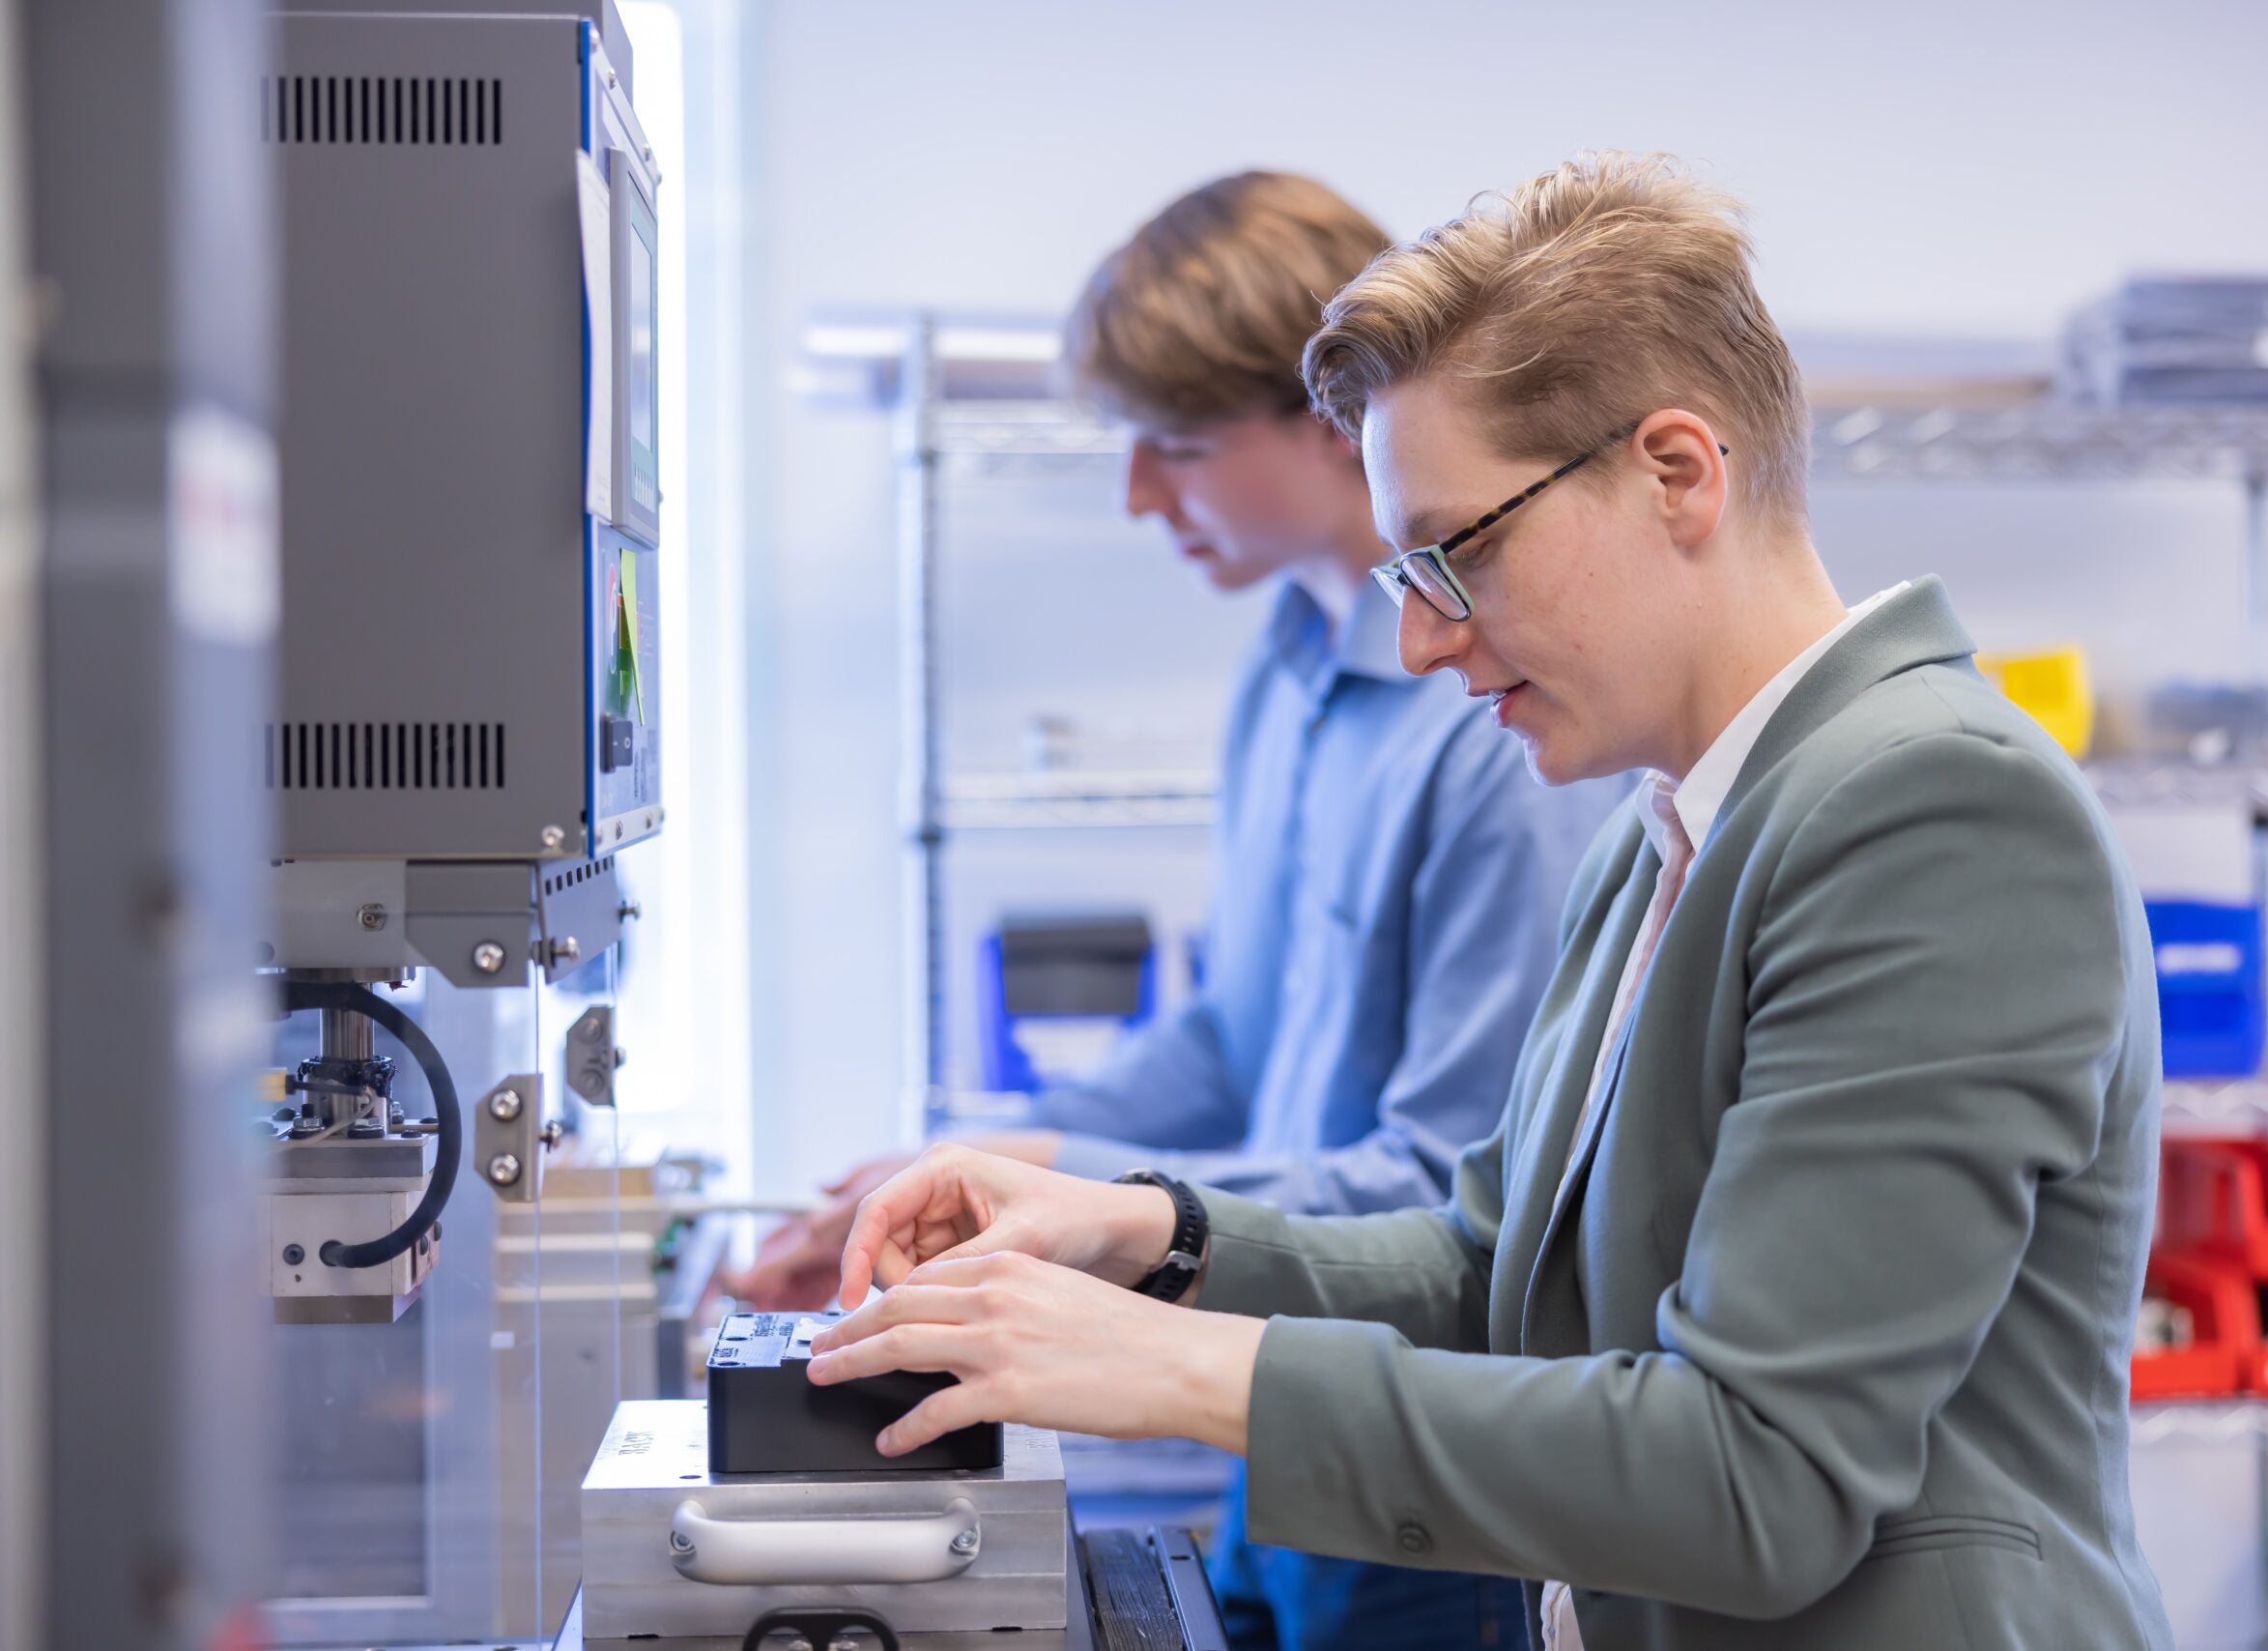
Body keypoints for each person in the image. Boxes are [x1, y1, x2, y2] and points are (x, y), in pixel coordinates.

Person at [798, 152, 2176, 1651]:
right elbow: (1492, 1265)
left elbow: (1755, 1478)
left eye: (1457, 555)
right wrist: (1144, 1231)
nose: (1414, 644)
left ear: (1677, 472)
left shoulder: (1935, 812)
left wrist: (1179, 1371)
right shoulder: (1670, 819)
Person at [734, 171, 1624, 1651]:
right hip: (1272, 1448)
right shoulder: (1286, 671)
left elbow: (1458, 1193)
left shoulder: (1494, 734)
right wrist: (996, 1161)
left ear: (1334, 420)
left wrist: (1083, 1210)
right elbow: (1234, 1035)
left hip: (1425, 1465)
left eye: (1178, 447)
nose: (1142, 496)